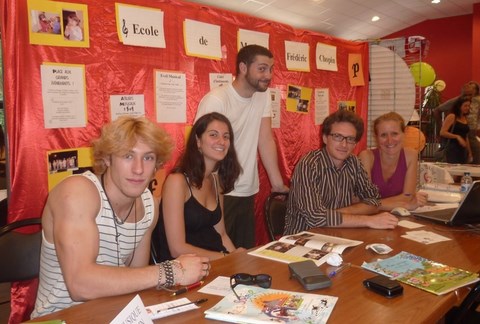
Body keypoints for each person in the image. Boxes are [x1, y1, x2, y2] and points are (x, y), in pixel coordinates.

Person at [32, 116, 209, 318]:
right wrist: (171, 271)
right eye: (127, 156)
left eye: (148, 157)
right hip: (60, 317)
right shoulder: (77, 193)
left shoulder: (147, 204)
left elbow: (137, 279)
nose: (138, 169)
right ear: (107, 159)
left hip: (111, 314)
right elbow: (80, 285)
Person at [195, 44, 288, 249]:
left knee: (243, 255)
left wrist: (277, 183)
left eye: (271, 69)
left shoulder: (262, 95)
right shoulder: (217, 99)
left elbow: (265, 139)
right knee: (217, 254)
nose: (268, 75)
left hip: (247, 190)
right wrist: (207, 192)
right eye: (262, 68)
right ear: (243, 68)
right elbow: (200, 148)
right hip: (219, 192)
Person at [283, 110, 398, 235]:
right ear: (325, 138)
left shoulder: (353, 162)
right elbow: (316, 217)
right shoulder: (309, 164)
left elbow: (374, 200)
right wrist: (369, 220)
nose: (344, 144)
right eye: (337, 137)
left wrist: (340, 212)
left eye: (350, 139)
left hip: (338, 235)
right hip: (302, 239)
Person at [153, 112, 246, 261]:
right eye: (213, 135)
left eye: (226, 136)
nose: (221, 141)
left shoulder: (217, 182)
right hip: (184, 269)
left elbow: (221, 235)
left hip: (216, 263)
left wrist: (237, 259)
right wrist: (225, 258)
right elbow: (177, 249)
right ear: (198, 141)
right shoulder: (177, 181)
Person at [358, 112, 428, 211]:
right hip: (369, 218)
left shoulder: (411, 155)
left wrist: (374, 204)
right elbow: (364, 200)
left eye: (394, 134)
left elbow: (407, 197)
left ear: (404, 134)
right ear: (376, 138)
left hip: (398, 217)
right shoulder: (366, 157)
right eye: (383, 135)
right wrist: (403, 203)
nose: (389, 140)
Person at [439, 96, 472, 164]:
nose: (467, 108)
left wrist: (469, 152)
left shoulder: (465, 118)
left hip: (462, 150)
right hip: (452, 148)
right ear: (459, 106)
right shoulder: (452, 116)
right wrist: (457, 136)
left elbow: (466, 136)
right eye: (465, 106)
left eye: (468, 106)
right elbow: (442, 132)